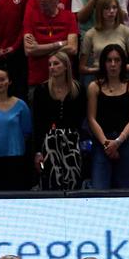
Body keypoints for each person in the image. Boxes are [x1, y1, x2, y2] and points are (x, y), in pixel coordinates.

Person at [28, 49, 84, 191]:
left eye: (56, 64)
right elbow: (37, 123)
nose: (52, 67)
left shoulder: (78, 89)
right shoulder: (42, 90)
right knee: (50, 181)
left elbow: (82, 118)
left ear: (66, 66)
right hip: (49, 142)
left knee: (73, 181)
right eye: (50, 64)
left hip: (72, 141)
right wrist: (38, 152)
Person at [86, 44, 129, 188]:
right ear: (103, 63)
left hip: (125, 141)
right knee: (99, 188)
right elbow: (91, 118)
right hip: (101, 142)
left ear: (123, 62)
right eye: (109, 60)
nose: (113, 64)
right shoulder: (94, 87)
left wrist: (118, 141)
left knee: (125, 189)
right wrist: (106, 144)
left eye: (117, 60)